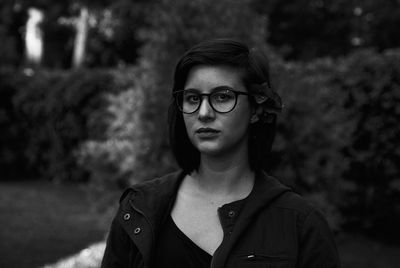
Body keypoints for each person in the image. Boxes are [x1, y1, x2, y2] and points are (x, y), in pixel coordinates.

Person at [101, 39, 342, 268]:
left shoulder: (301, 225)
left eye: (223, 97)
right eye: (193, 98)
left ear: (256, 109)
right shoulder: (139, 209)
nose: (204, 113)